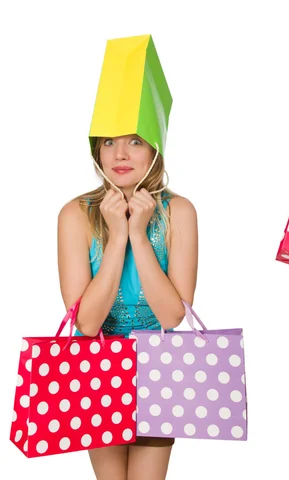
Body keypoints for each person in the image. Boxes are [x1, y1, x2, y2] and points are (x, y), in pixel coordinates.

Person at [57, 35, 198, 480]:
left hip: (159, 368)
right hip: (94, 368)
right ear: (96, 150)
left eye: (134, 141)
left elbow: (173, 315)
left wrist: (139, 233)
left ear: (154, 149)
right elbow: (86, 323)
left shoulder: (180, 212)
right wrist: (116, 237)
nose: (120, 154)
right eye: (109, 142)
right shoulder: (75, 216)